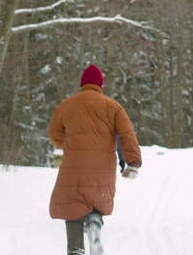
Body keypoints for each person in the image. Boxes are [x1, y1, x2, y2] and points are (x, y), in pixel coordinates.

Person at [48, 64, 142, 255]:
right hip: (102, 166)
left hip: (73, 165)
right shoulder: (114, 107)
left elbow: (54, 133)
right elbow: (127, 134)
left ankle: (75, 249)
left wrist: (68, 144)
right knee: (95, 198)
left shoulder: (67, 105)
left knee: (73, 205)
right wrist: (133, 162)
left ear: (82, 84)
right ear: (101, 85)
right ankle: (94, 224)